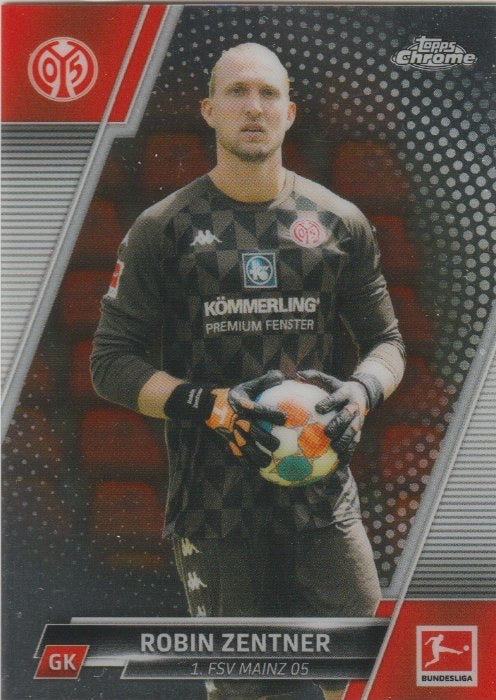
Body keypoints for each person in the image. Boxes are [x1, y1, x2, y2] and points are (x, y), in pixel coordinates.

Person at [92, 43, 405, 700]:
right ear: (209, 111)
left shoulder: (339, 222)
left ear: (290, 113)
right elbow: (111, 364)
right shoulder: (163, 228)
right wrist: (210, 405)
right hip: (215, 511)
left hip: (322, 501)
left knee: (371, 681)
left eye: (268, 94)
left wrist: (361, 391)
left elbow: (387, 344)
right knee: (243, 694)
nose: (253, 107)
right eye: (237, 92)